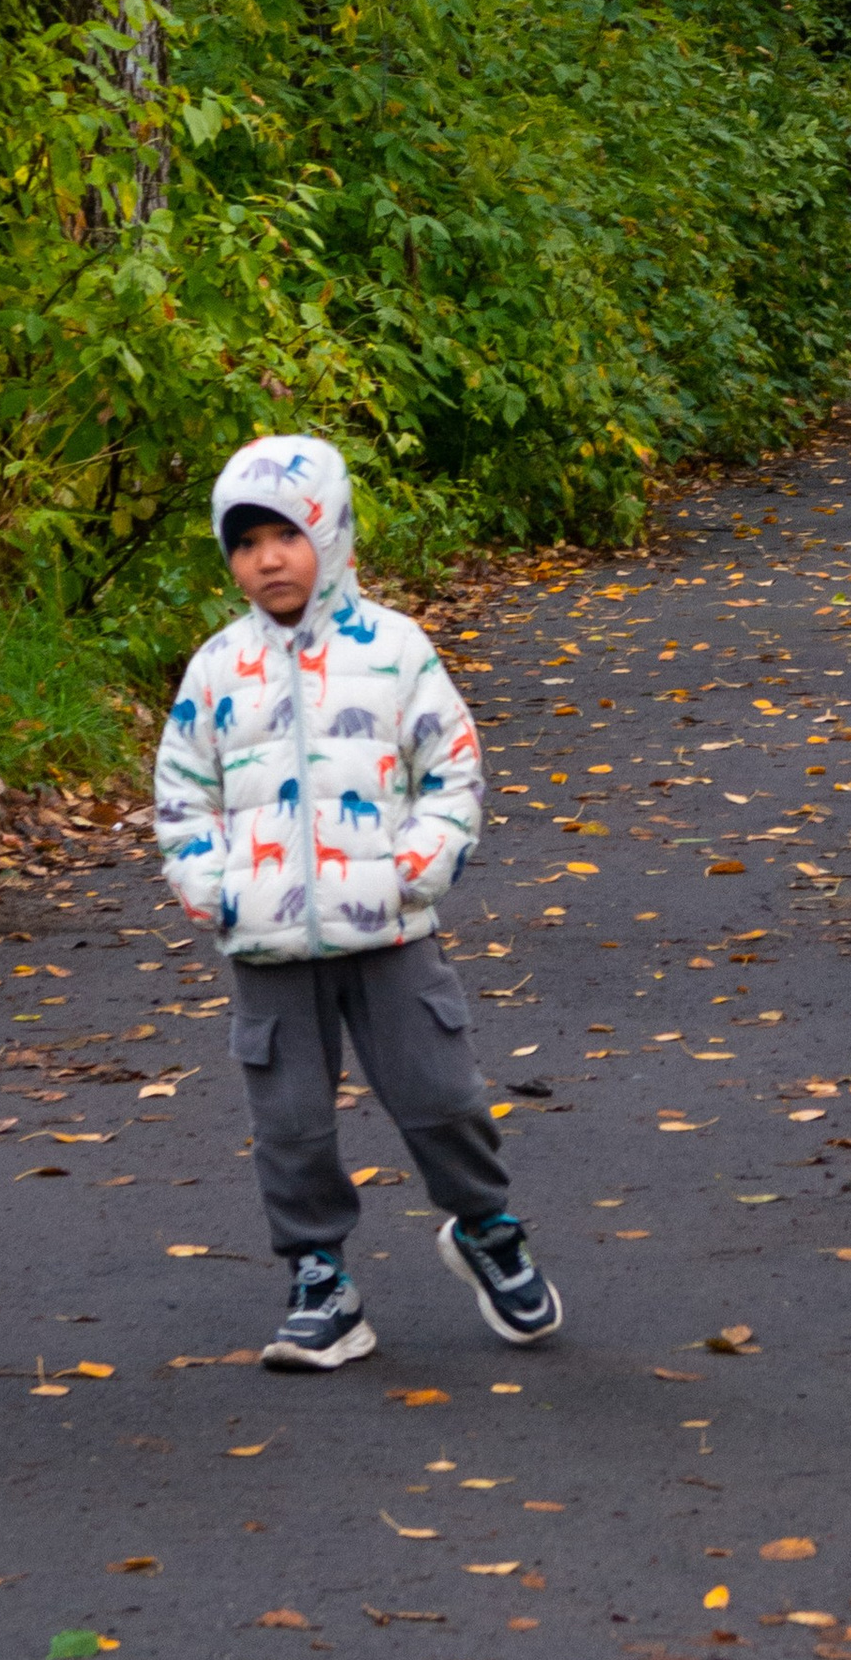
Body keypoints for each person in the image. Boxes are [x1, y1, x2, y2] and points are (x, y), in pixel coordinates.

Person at [154, 430, 562, 1370]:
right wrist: (212, 888)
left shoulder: (394, 648)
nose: (267, 559)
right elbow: (181, 790)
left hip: (388, 928)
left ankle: (487, 1227)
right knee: (289, 1120)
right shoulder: (216, 667)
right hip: (265, 939)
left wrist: (412, 870)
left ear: (330, 533)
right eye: (245, 543)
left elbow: (452, 769)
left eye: (285, 535)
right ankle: (320, 1277)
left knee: (441, 1094)